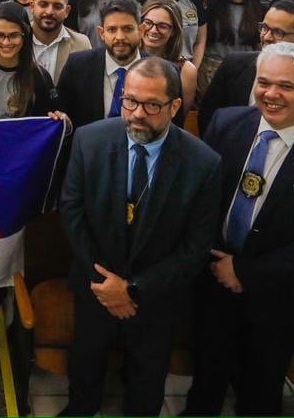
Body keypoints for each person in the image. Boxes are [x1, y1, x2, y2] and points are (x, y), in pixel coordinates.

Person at [187, 43, 294, 416]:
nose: (270, 94)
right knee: (206, 377)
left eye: (285, 86)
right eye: (263, 83)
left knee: (260, 389)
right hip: (214, 283)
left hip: (279, 300)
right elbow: (202, 199)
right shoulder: (226, 123)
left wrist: (244, 272)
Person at [58, 56, 222, 417]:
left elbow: (195, 249)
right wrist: (107, 284)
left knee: (146, 384)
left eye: (151, 105)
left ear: (175, 106)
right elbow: (72, 213)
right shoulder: (90, 140)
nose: (136, 113)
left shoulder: (203, 164)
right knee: (85, 368)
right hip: (95, 287)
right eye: (129, 101)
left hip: (156, 298)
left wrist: (132, 289)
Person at [199, 0, 294, 133]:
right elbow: (208, 119)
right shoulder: (233, 65)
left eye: (278, 32)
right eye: (264, 28)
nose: (266, 37)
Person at [0, 2, 68, 123]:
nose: (5, 42)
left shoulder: (40, 77)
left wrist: (62, 122)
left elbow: (51, 121)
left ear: (25, 35)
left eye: (14, 35)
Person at [57, 0, 144, 131]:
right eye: (112, 30)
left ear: (141, 31)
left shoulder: (161, 71)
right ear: (102, 33)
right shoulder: (77, 67)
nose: (120, 37)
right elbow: (63, 122)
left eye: (127, 29)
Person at [29, 0, 92, 84]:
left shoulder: (81, 44)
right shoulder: (17, 40)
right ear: (32, 7)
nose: (49, 12)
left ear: (67, 11)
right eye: (43, 4)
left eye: (57, 6)